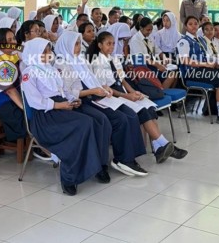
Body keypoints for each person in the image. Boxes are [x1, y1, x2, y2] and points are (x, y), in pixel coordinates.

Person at [22, 38, 112, 195]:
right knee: (82, 124)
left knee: (90, 122)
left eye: (49, 51)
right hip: (45, 115)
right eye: (45, 52)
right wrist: (59, 105)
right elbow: (35, 101)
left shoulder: (49, 69)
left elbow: (63, 90)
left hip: (60, 107)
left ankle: (87, 168)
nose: (49, 54)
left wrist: (72, 100)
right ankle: (69, 177)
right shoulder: (29, 73)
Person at [56, 31, 149, 176]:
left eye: (80, 43)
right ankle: (119, 160)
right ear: (66, 45)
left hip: (94, 94)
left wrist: (103, 88)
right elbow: (68, 93)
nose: (79, 47)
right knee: (118, 118)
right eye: (75, 44)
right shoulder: (62, 64)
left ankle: (129, 157)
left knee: (131, 114)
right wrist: (94, 91)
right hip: (80, 101)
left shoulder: (81, 60)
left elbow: (93, 79)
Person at [90, 31, 188, 161]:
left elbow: (123, 80)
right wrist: (126, 96)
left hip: (123, 92)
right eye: (108, 44)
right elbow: (105, 89)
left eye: (113, 44)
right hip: (111, 96)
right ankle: (164, 144)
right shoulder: (97, 63)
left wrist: (132, 92)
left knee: (149, 107)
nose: (112, 47)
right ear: (100, 45)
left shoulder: (114, 59)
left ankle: (158, 147)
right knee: (142, 111)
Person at [177, 16, 219, 126]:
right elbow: (185, 60)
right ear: (185, 26)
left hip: (203, 70)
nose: (193, 26)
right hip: (191, 73)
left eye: (195, 23)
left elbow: (208, 57)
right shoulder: (184, 41)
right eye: (190, 24)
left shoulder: (200, 40)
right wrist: (205, 64)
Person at [0, 28, 26, 143]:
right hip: (0, 103)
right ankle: (38, 142)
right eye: (9, 40)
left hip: (14, 98)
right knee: (25, 116)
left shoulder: (12, 56)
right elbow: (10, 91)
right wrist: (25, 108)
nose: (14, 42)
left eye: (14, 38)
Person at [129, 17, 177, 89]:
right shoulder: (135, 40)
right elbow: (142, 58)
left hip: (152, 64)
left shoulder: (149, 37)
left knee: (175, 73)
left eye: (151, 30)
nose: (150, 32)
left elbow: (157, 50)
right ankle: (161, 93)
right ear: (141, 28)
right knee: (171, 75)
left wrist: (164, 58)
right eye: (148, 30)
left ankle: (164, 92)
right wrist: (158, 65)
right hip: (143, 68)